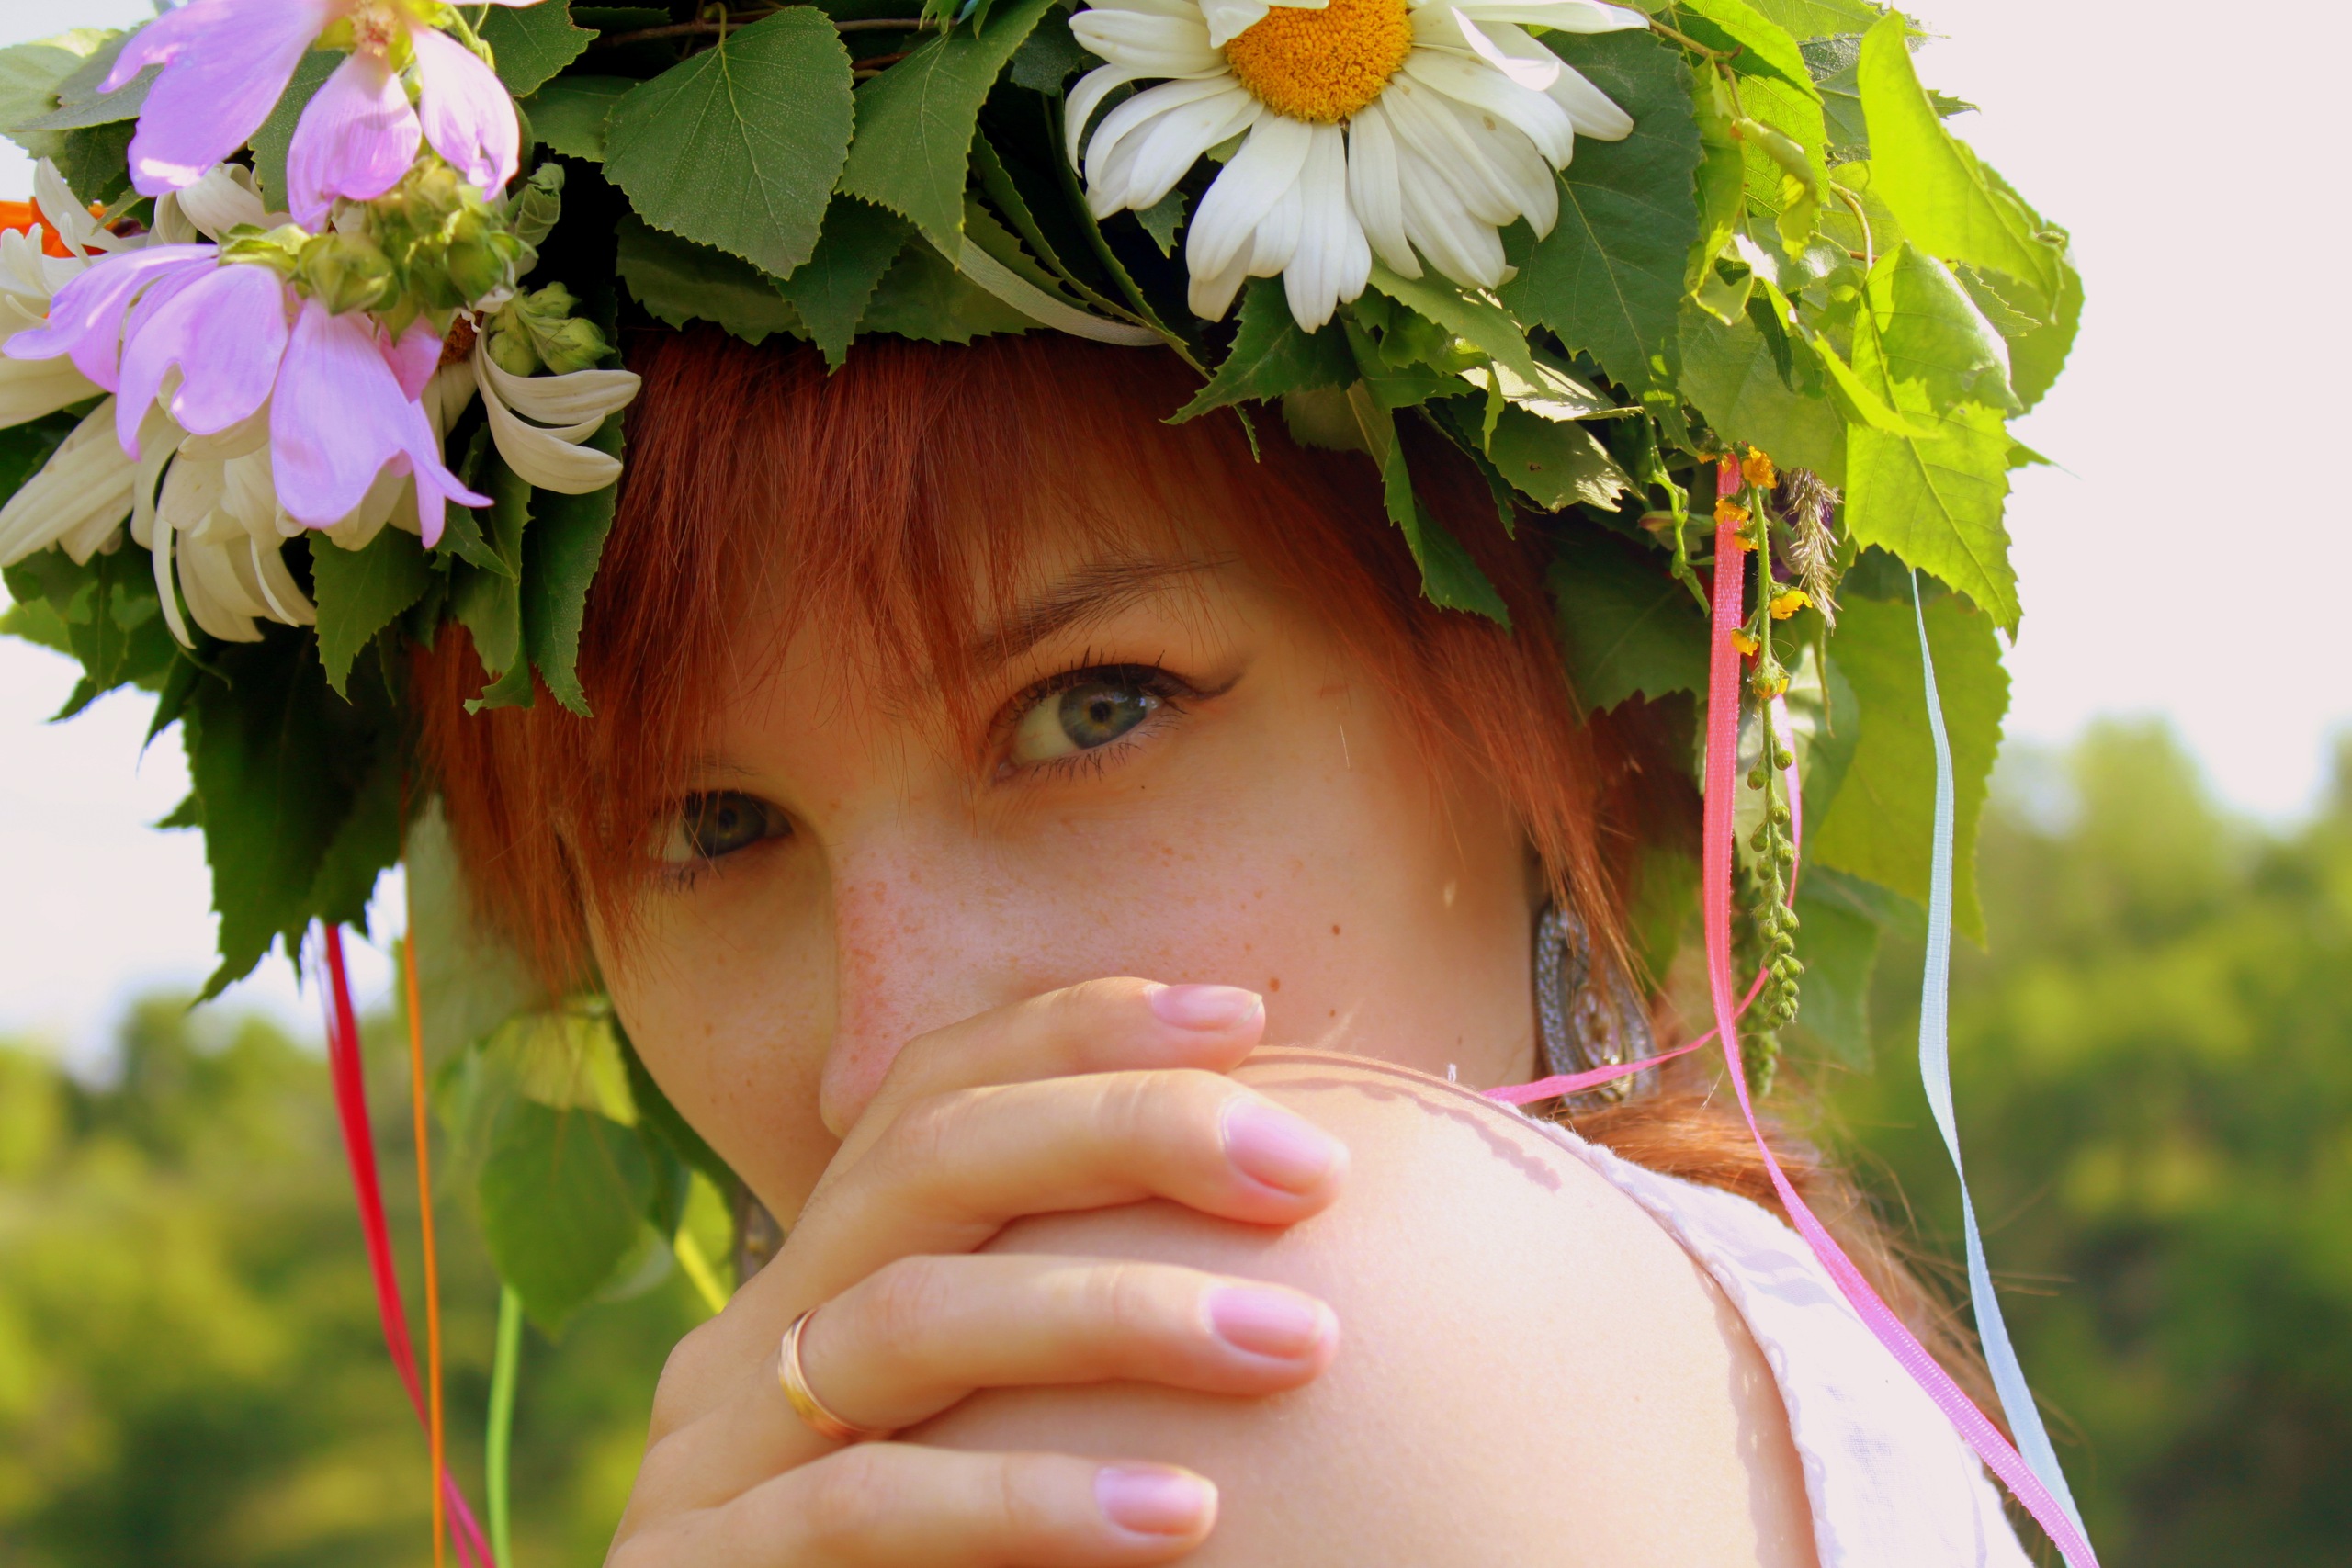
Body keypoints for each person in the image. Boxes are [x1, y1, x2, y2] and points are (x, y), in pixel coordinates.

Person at [421, 332, 2030, 1566]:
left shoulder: (1314, 1347)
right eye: (712, 827)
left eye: (1094, 708)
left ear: (1557, 701)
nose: (888, 1051)